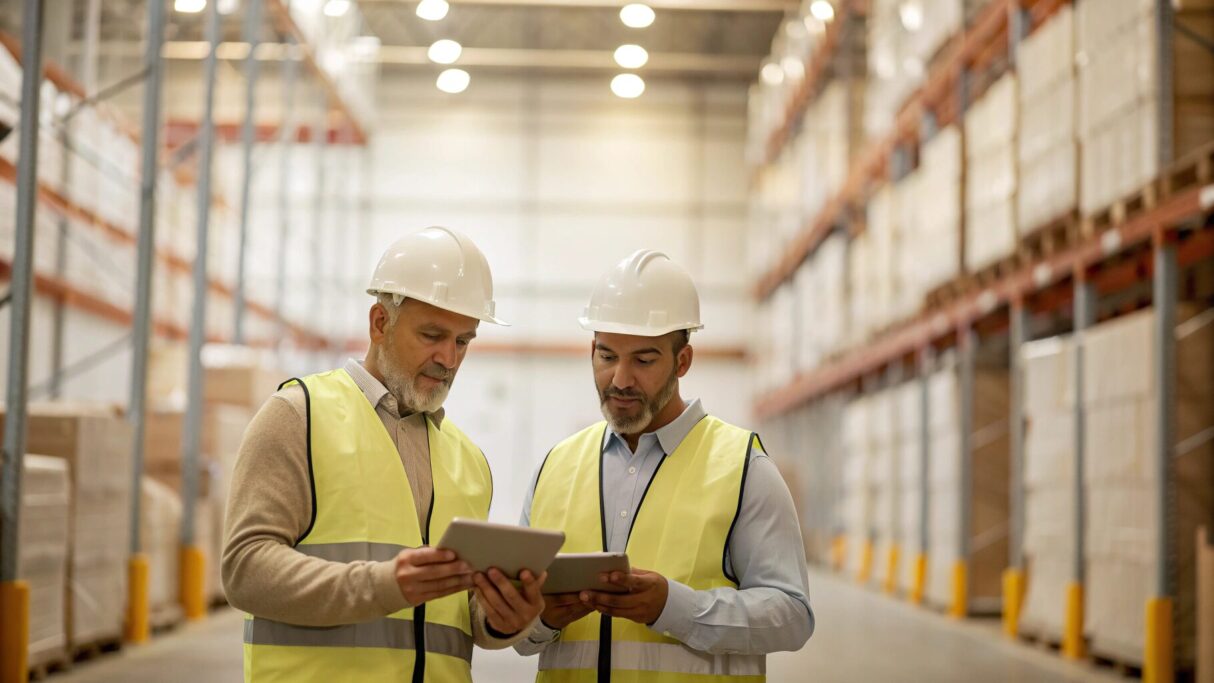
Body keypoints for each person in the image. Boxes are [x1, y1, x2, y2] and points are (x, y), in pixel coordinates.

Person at [223, 227, 546, 682]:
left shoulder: (468, 461)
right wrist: (383, 585)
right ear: (380, 322)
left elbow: (458, 620)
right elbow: (245, 569)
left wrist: (502, 620)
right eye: (432, 335)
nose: (448, 359)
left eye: (463, 342)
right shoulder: (299, 416)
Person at [515, 249, 814, 681]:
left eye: (644, 359)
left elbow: (792, 616)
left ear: (682, 361)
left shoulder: (743, 467)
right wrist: (541, 619)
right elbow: (517, 634)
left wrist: (674, 608)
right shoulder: (555, 467)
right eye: (606, 355)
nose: (619, 379)